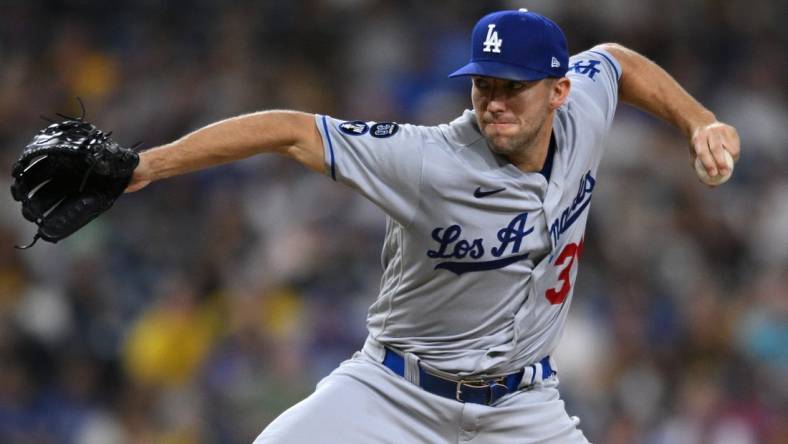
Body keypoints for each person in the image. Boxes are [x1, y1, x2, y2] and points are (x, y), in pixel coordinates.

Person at [126, 9, 740, 444]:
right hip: (395, 392)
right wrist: (150, 163)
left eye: (514, 87)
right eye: (483, 84)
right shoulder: (426, 159)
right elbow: (289, 130)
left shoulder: (584, 108)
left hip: (521, 407)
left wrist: (699, 121)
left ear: (558, 91)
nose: (493, 101)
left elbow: (617, 61)